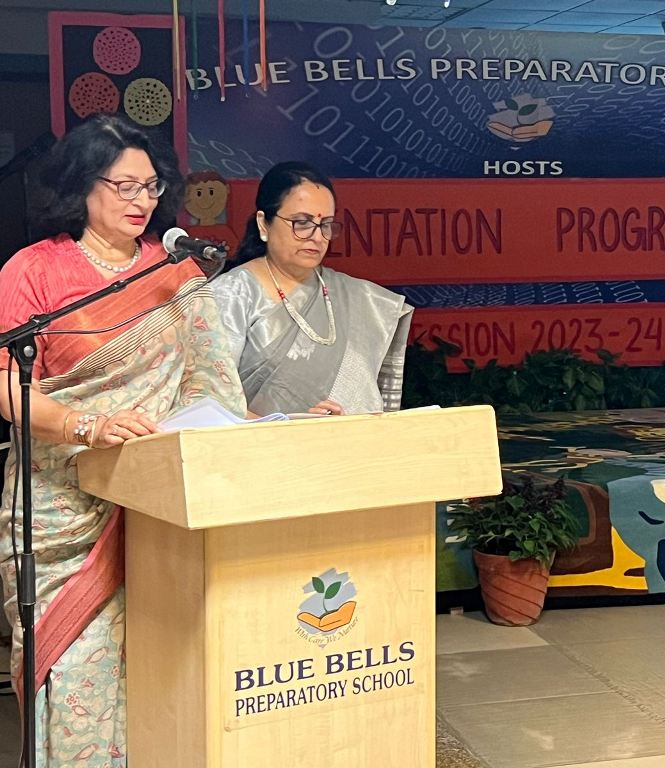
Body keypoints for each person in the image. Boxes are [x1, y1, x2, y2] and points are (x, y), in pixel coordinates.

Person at [0, 113, 245, 766]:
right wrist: (87, 426)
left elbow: (212, 386)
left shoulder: (177, 273)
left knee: (168, 673)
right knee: (75, 671)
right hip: (62, 510)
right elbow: (4, 386)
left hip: (160, 508)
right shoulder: (34, 271)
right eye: (125, 186)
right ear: (83, 186)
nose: (142, 201)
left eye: (152, 186)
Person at [212, 162, 413, 416]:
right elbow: (212, 401)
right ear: (264, 224)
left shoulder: (360, 300)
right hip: (260, 441)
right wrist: (293, 427)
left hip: (343, 440)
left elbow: (367, 403)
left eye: (325, 224)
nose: (317, 237)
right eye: (302, 223)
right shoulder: (231, 294)